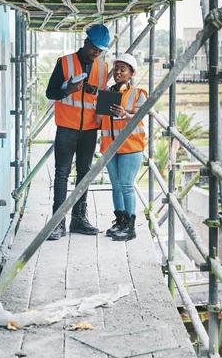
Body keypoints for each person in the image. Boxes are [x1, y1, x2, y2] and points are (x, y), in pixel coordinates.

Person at [45, 24, 110, 240]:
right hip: (66, 127)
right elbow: (50, 93)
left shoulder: (103, 67)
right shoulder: (64, 62)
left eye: (100, 51)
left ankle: (79, 219)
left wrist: (105, 121)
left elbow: (104, 97)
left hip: (90, 130)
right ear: (86, 42)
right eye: (94, 48)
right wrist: (67, 89)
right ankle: (57, 223)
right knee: (62, 174)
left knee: (85, 174)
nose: (96, 53)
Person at [100, 53, 147, 242]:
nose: (118, 72)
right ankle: (119, 221)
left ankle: (130, 227)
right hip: (110, 147)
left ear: (131, 73)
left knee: (126, 186)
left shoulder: (138, 93)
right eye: (117, 69)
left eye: (123, 69)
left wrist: (126, 115)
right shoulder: (107, 92)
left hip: (131, 147)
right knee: (116, 186)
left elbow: (142, 115)